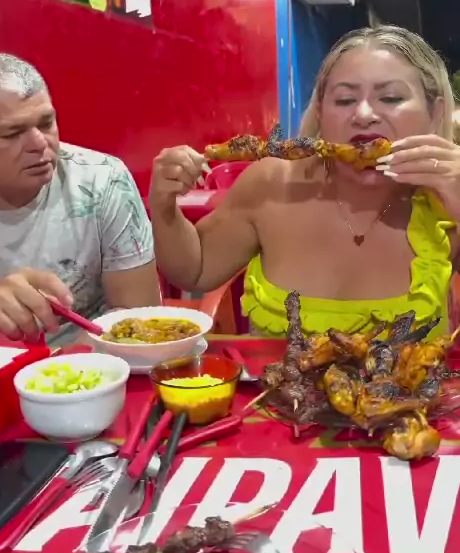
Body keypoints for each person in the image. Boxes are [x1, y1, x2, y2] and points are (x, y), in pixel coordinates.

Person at [149, 24, 460, 339]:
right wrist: (164, 205)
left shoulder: (445, 201)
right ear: (321, 112)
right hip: (272, 373)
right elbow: (196, 269)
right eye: (344, 100)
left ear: (434, 113)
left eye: (390, 97)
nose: (364, 113)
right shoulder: (273, 184)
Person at [0, 52, 160, 341]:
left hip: (89, 358)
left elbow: (139, 317)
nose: (40, 143)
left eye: (46, 123)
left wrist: (66, 363)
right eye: (12, 134)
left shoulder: (103, 180)